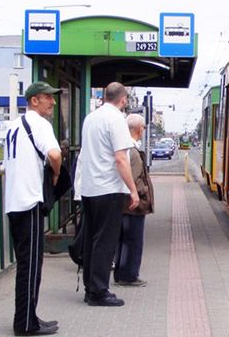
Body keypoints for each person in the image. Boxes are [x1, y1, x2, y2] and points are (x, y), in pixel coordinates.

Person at [3, 81, 62, 336]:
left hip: (14, 201)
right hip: (29, 201)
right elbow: (55, 155)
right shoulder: (40, 124)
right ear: (34, 101)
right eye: (48, 98)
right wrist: (57, 175)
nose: (53, 102)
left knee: (26, 263)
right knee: (31, 265)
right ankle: (25, 324)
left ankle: (29, 317)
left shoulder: (11, 126)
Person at [79, 82, 139, 307]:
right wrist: (133, 190)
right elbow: (121, 159)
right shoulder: (116, 119)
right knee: (105, 241)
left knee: (91, 240)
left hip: (89, 189)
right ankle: (99, 292)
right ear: (123, 100)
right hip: (109, 189)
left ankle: (90, 288)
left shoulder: (91, 118)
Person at [114, 114, 154, 287]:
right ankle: (129, 275)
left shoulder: (125, 147)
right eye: (143, 127)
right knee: (133, 240)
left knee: (123, 239)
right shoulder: (132, 150)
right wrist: (141, 192)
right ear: (139, 129)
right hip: (133, 203)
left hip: (125, 202)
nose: (144, 129)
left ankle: (121, 273)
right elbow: (135, 176)